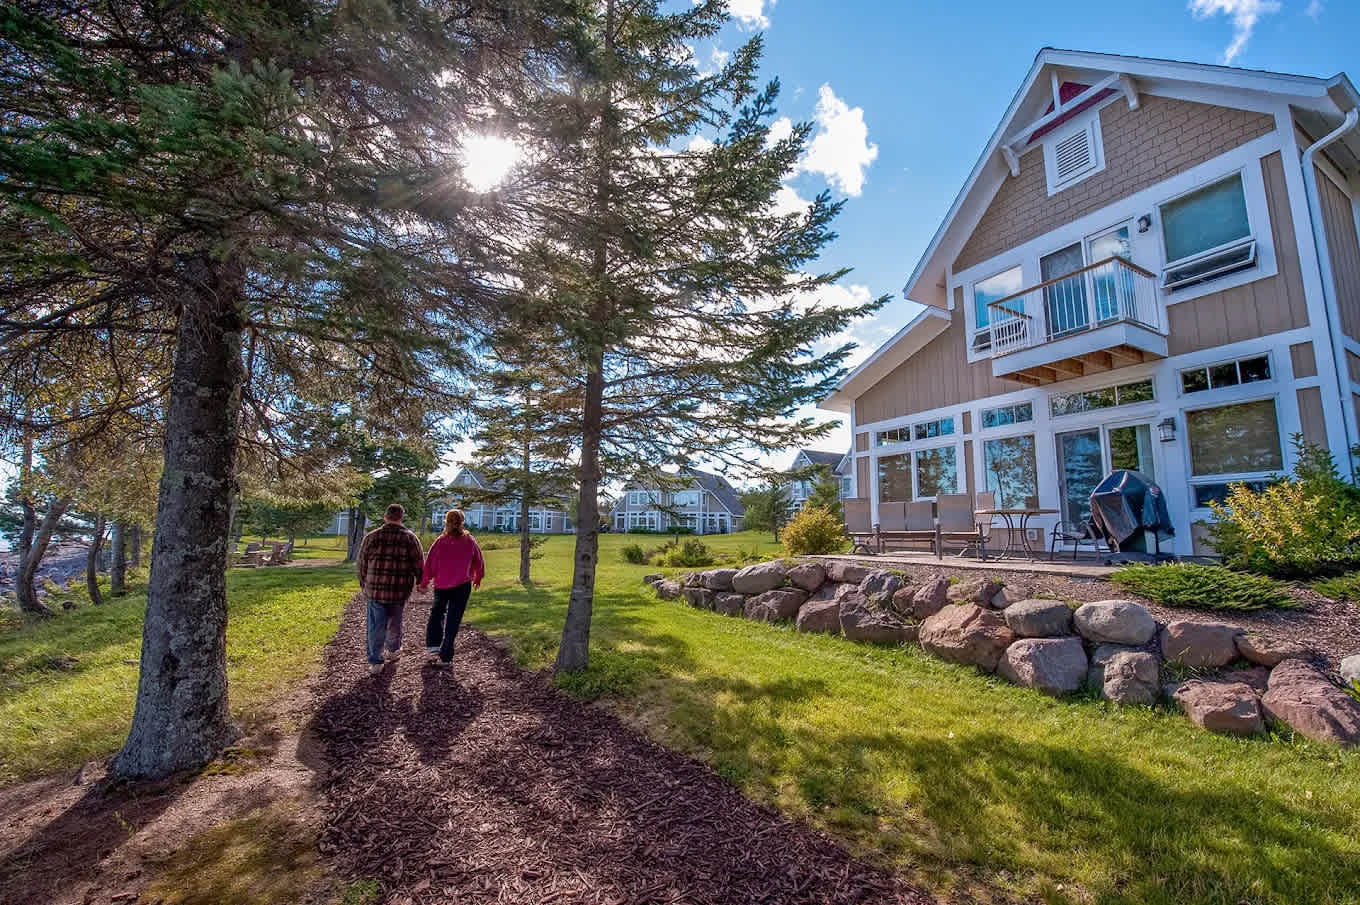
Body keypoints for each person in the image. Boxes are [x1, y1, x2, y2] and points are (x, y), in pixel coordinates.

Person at [356, 503, 425, 676]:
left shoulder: (372, 537)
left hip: (375, 589)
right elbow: (418, 563)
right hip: (399, 590)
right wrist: (420, 581)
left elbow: (362, 562)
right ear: (401, 518)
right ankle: (393, 650)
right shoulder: (410, 538)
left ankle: (375, 661)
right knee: (395, 622)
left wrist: (363, 582)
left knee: (375, 626)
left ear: (385, 517)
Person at [418, 509, 485, 667]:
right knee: (453, 619)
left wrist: (424, 582)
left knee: (437, 614)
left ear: (446, 522)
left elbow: (430, 564)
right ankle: (446, 657)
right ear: (462, 522)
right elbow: (479, 561)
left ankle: (433, 648)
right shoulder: (469, 541)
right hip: (462, 586)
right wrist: (478, 577)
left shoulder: (440, 542)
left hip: (442, 585)